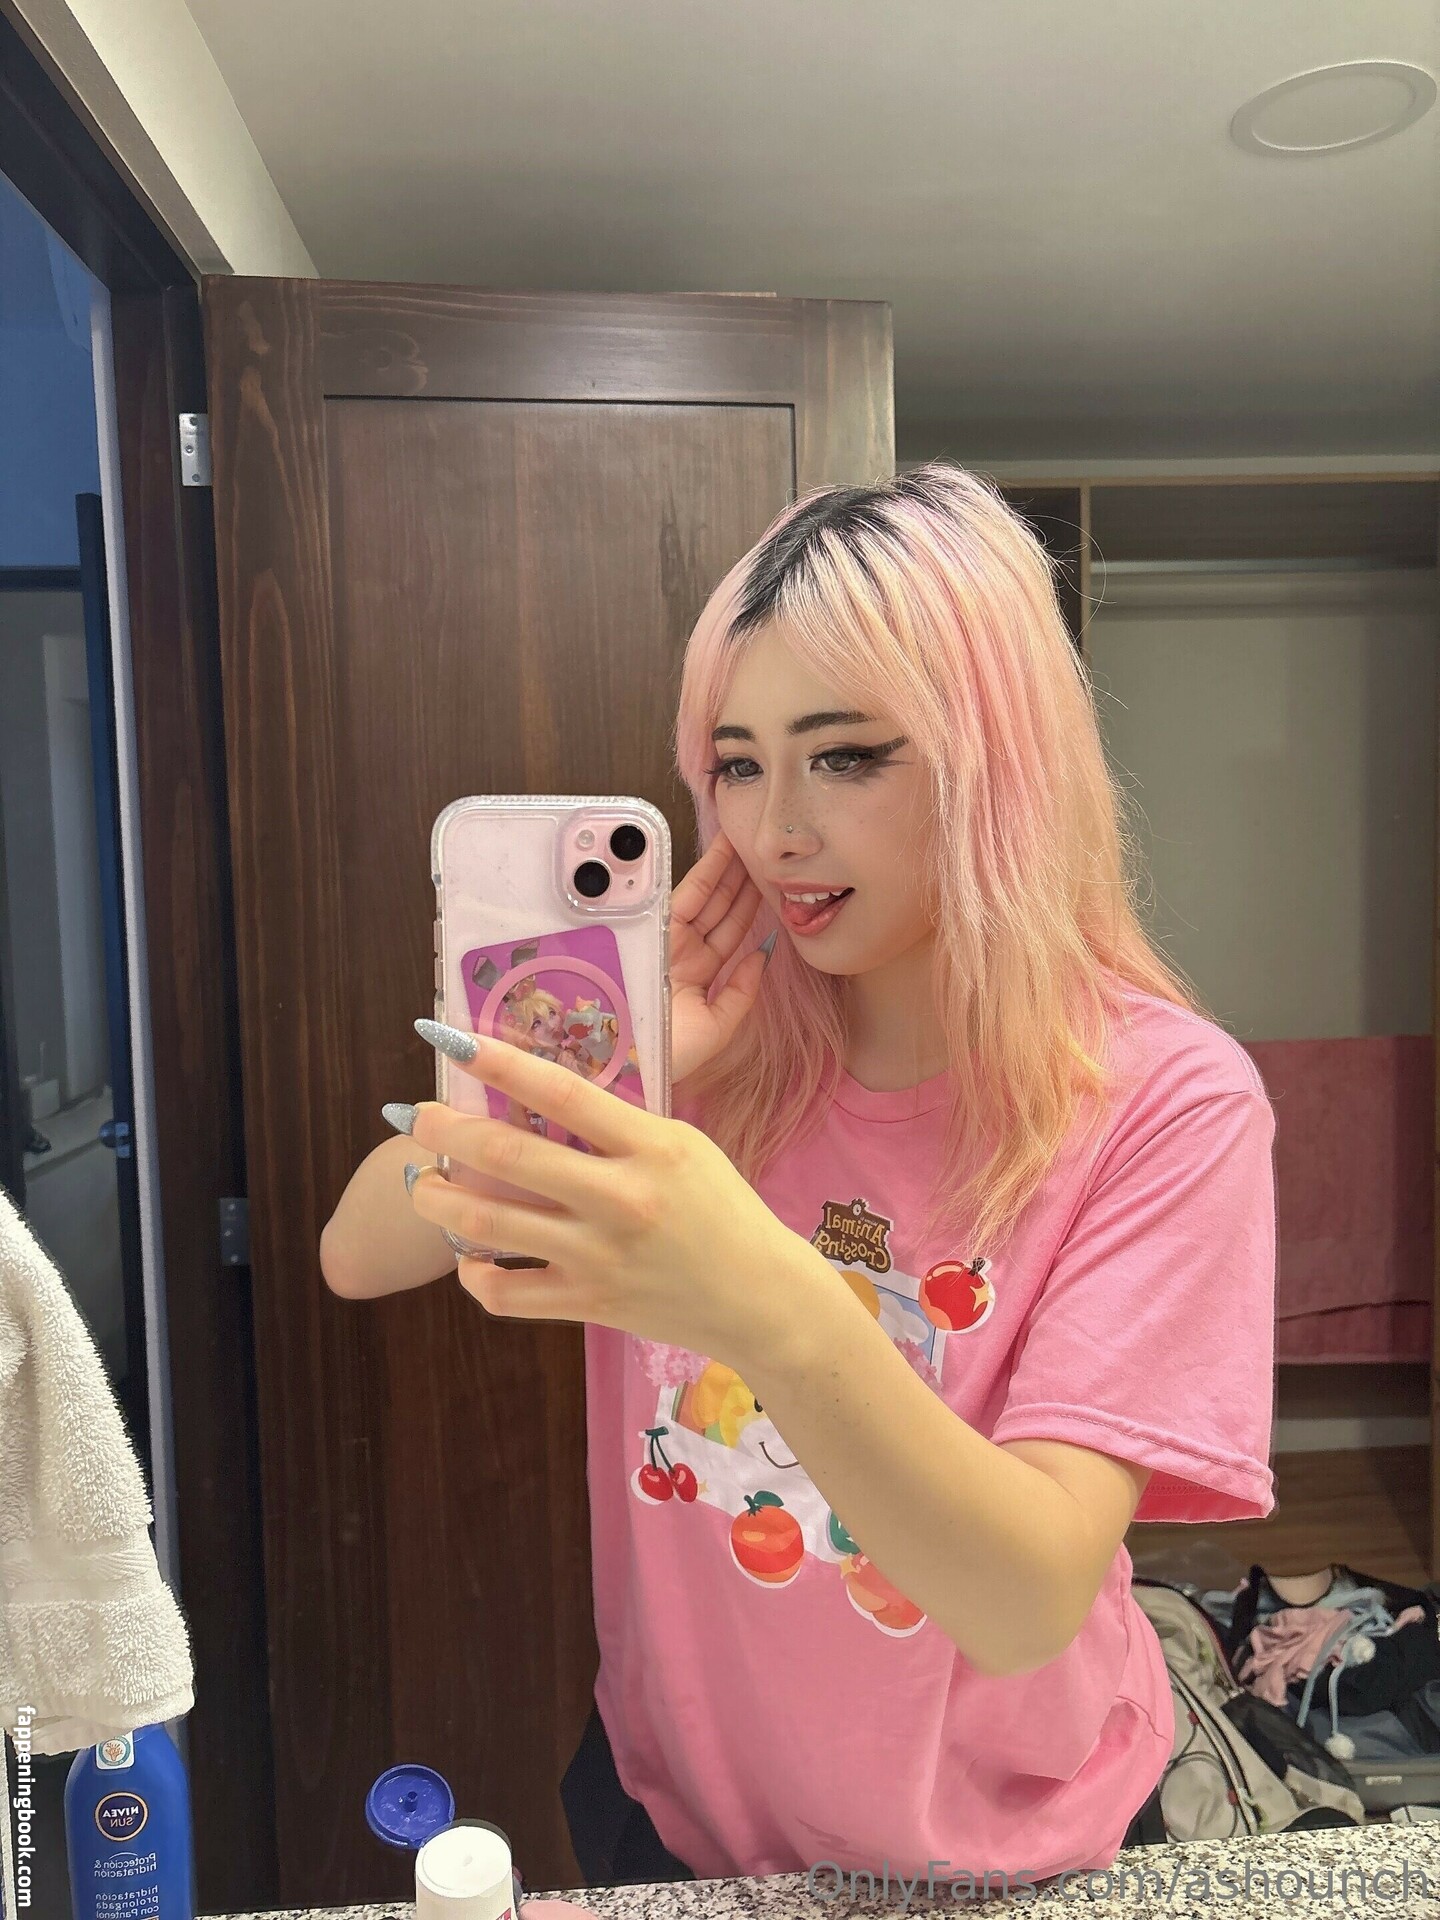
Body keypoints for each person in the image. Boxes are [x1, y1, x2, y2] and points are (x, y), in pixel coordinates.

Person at [321, 463, 1276, 1889]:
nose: (773, 832)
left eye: (845, 757)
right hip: (674, 1811)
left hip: (1013, 1844)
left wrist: (762, 1296)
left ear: (998, 761)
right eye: (737, 763)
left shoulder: (1164, 1100)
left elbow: (1025, 1599)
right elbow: (359, 1250)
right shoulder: (702, 1047)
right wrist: (614, 1071)